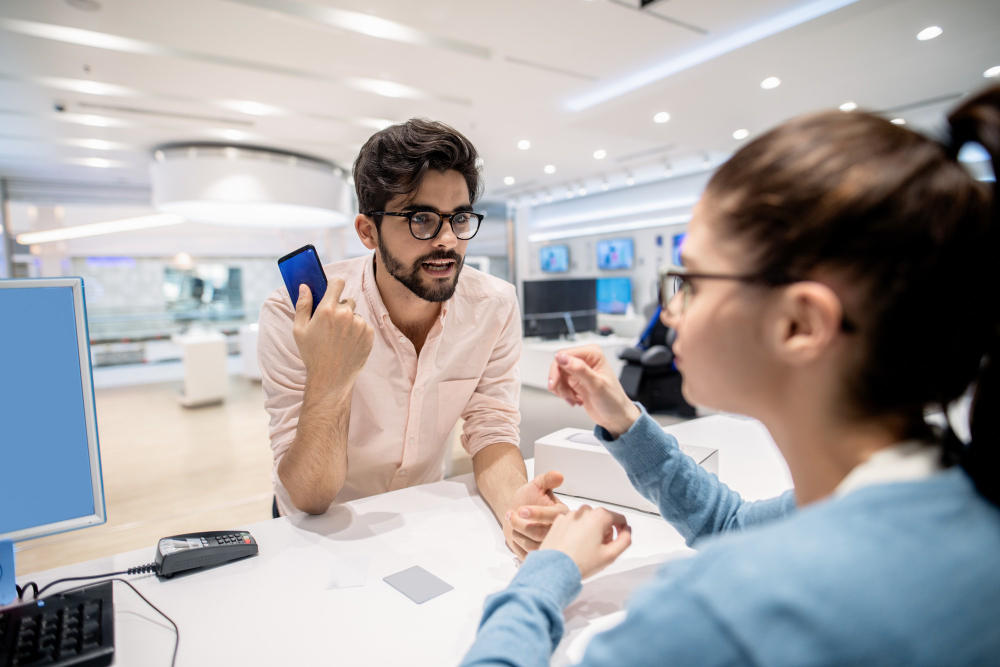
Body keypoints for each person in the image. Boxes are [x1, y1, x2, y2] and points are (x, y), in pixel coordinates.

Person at [461, 86, 1000, 666]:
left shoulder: (728, 613)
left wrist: (548, 574)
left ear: (798, 324)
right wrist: (621, 420)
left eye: (691, 281)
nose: (670, 312)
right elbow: (733, 523)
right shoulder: (950, 498)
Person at [258, 119, 566, 558]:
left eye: (459, 218)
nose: (447, 241)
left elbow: (492, 429)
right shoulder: (296, 313)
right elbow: (311, 495)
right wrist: (332, 375)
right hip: (314, 531)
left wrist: (517, 505)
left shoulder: (494, 306)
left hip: (419, 515)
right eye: (421, 219)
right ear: (367, 231)